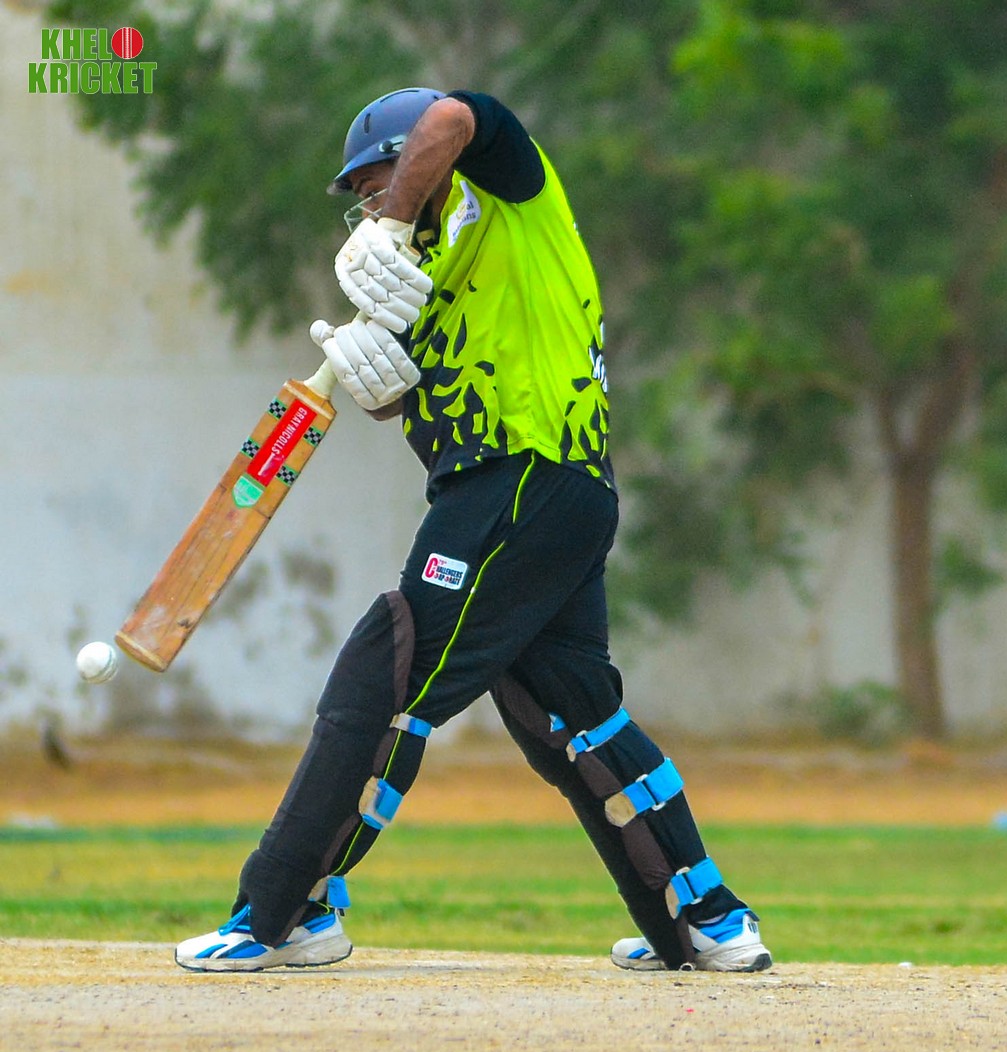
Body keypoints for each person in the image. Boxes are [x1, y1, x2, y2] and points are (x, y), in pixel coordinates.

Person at [176, 87, 770, 974]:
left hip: (518, 481)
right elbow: (434, 395)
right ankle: (708, 922)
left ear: (415, 165)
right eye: (362, 203)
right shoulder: (428, 275)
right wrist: (385, 384)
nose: (370, 211)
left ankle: (283, 911)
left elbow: (457, 116)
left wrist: (392, 221)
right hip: (559, 495)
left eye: (376, 187)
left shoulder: (507, 194)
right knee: (573, 716)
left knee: (382, 676)